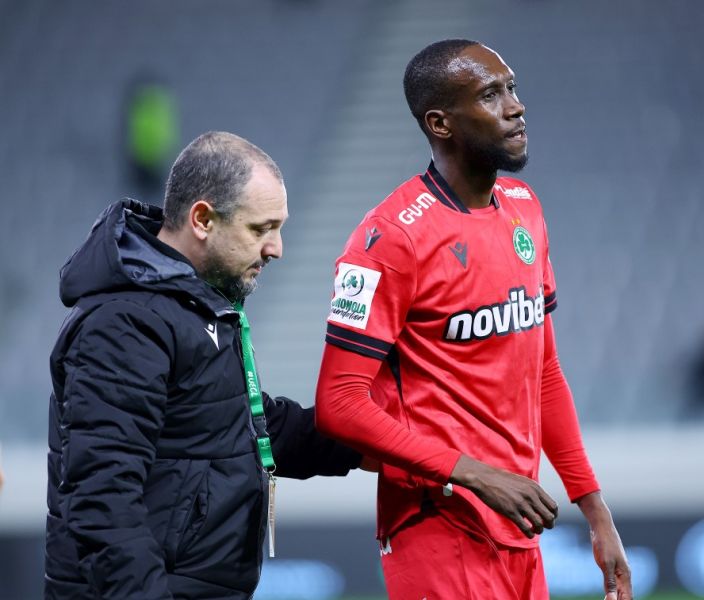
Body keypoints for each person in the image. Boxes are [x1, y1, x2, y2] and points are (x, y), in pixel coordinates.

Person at [315, 40, 631, 599]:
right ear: (440, 123)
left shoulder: (525, 207)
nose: (516, 106)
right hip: (439, 524)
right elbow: (339, 404)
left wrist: (594, 509)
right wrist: (474, 474)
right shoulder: (391, 238)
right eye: (490, 95)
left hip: (518, 523)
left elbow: (544, 374)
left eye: (512, 88)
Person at [46, 131, 362, 599]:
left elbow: (241, 427)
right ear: (202, 219)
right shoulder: (125, 323)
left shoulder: (191, 305)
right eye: (261, 229)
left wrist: (368, 442)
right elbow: (102, 498)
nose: (276, 248)